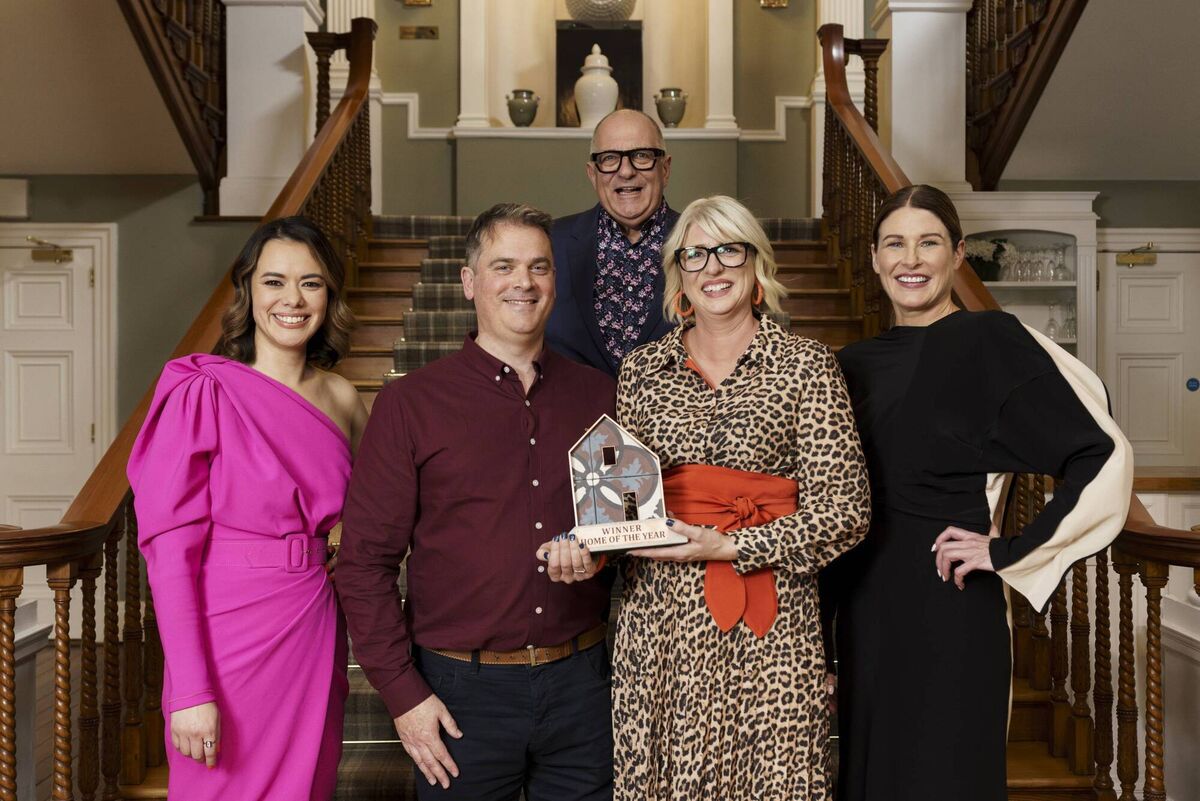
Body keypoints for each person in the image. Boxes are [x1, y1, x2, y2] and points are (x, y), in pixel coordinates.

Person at [543, 195, 871, 800]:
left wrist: (732, 545)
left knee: (772, 779)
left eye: (728, 250)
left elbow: (846, 513)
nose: (712, 267)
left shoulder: (807, 366)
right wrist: (589, 543)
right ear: (679, 279)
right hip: (659, 624)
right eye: (694, 255)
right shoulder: (642, 370)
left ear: (755, 268)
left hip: (771, 624)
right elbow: (625, 501)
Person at [822, 184, 1133, 801]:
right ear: (877, 258)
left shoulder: (990, 341)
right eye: (895, 243)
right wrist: (822, 641)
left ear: (957, 254)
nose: (911, 259)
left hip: (951, 606)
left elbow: (1101, 454)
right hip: (863, 613)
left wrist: (1011, 549)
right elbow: (831, 505)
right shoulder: (846, 364)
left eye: (929, 242)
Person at [336, 203, 617, 801]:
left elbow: (624, 527)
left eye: (539, 267)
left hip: (584, 687)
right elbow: (364, 564)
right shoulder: (410, 405)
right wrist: (403, 696)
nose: (524, 282)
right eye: (504, 266)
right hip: (459, 694)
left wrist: (599, 553)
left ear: (555, 283)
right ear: (469, 282)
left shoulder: (601, 396)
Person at [126, 216, 368, 800]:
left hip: (312, 620)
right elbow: (168, 554)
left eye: (311, 283)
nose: (292, 299)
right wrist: (188, 690)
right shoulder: (201, 391)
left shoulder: (342, 397)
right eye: (274, 281)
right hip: (225, 632)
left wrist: (343, 543)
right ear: (249, 291)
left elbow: (384, 508)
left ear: (329, 296)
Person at [546, 109, 678, 376]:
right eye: (609, 159)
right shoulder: (551, 243)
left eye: (642, 156)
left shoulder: (702, 243)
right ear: (593, 174)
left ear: (665, 169)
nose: (626, 171)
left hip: (677, 413)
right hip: (574, 412)